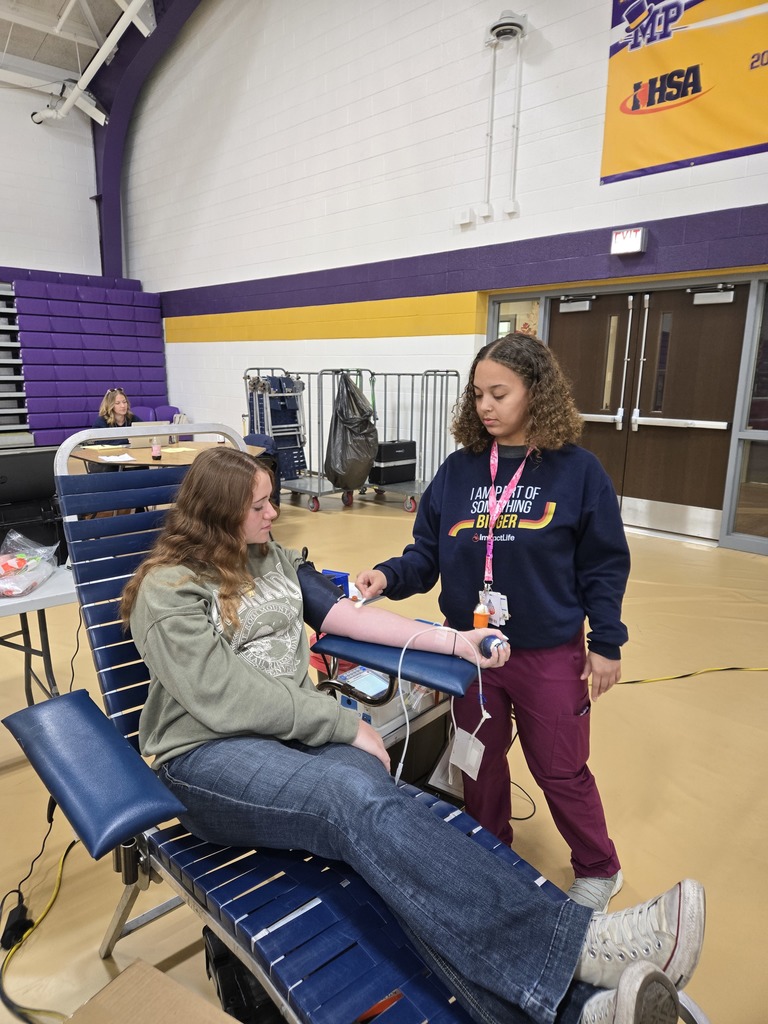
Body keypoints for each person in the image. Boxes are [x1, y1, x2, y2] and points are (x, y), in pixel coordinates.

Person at [119, 446, 705, 1024]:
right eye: (259, 506)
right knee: (353, 799)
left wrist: (455, 642)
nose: (275, 513)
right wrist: (342, 724)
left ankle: (581, 1013)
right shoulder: (167, 591)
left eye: (272, 500)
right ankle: (579, 945)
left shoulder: (267, 556)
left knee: (390, 850)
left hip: (290, 746)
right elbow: (223, 697)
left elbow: (346, 616)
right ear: (218, 513)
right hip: (206, 759)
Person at [355, 333, 629, 913]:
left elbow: (603, 564)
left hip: (546, 652)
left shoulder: (578, 472)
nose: (485, 406)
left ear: (537, 393)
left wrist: (606, 642)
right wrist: (387, 576)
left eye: (499, 394)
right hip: (470, 649)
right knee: (476, 759)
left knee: (559, 768)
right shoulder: (459, 472)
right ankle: (490, 851)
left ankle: (599, 867)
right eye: (477, 394)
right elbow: (426, 554)